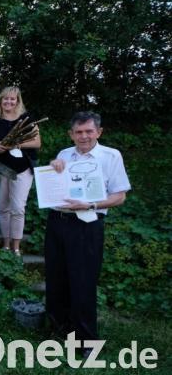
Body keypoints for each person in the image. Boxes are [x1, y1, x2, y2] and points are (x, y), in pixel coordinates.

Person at [45, 111, 130, 353]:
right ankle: (59, 331)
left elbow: (120, 196)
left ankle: (86, 342)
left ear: (99, 132)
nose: (84, 136)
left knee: (82, 282)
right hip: (57, 221)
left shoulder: (111, 156)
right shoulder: (64, 154)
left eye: (89, 131)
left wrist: (90, 204)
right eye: (79, 132)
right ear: (71, 134)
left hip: (86, 223)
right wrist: (53, 168)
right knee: (56, 279)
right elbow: (55, 183)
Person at [0, 87, 41, 255]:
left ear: (18, 101)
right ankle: (6, 243)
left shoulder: (27, 120)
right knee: (3, 208)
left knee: (18, 208)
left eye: (12, 99)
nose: (9, 102)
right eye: (5, 99)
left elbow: (37, 143)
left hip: (21, 169)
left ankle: (16, 246)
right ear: (0, 101)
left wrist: (16, 144)